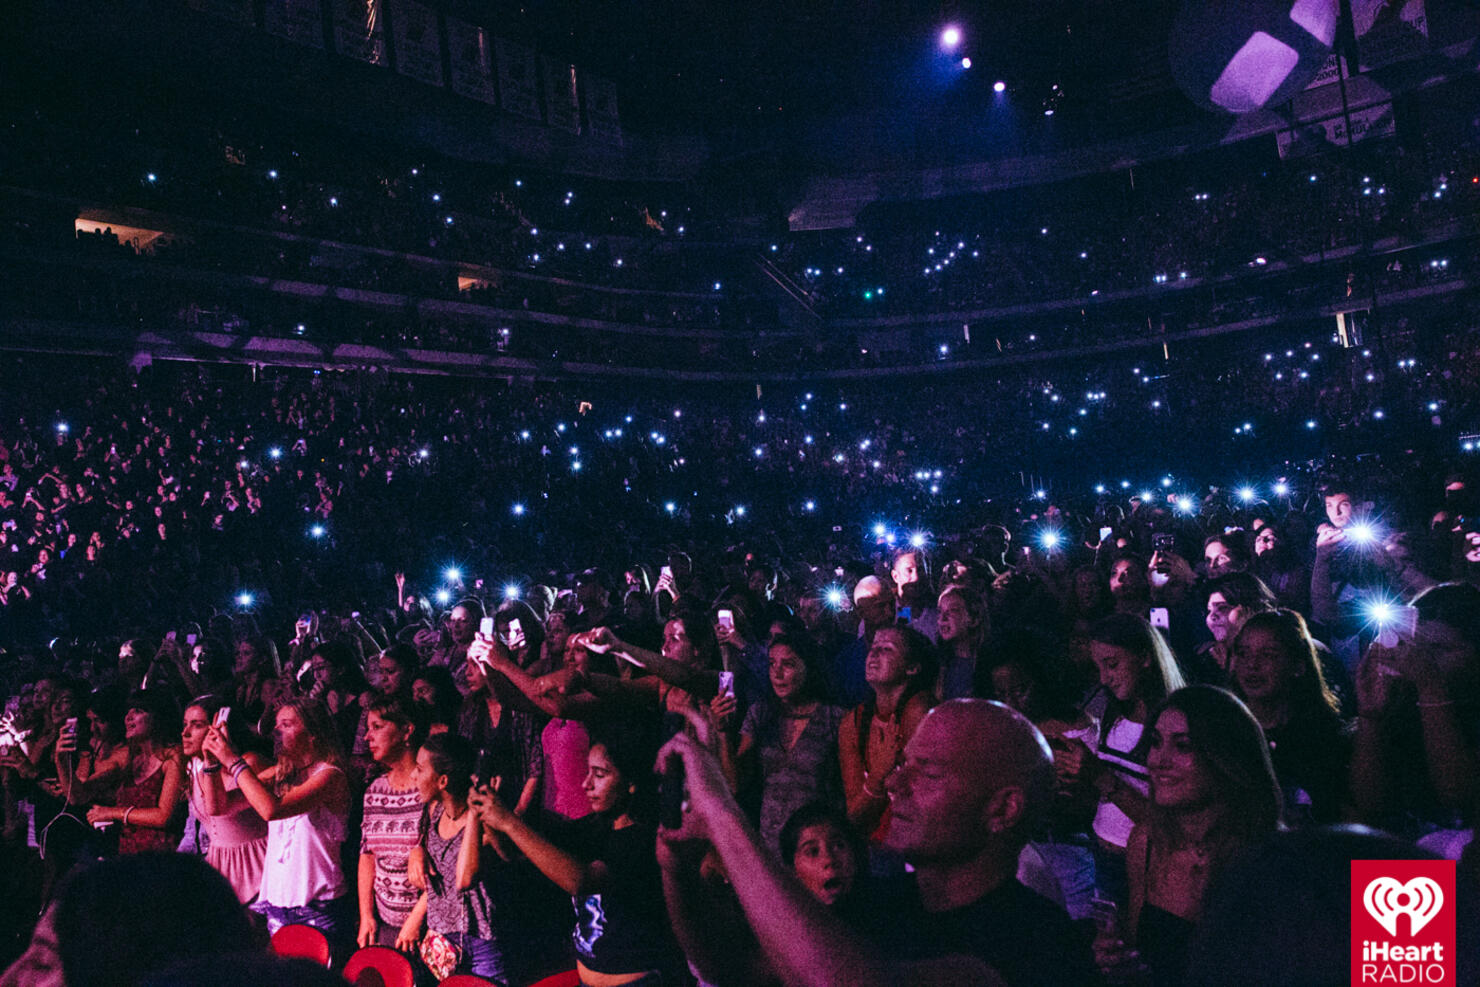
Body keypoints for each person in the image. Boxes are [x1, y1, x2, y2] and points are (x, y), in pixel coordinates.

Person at [659, 700, 1098, 986]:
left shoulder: (1037, 943)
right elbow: (732, 965)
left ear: (1002, 811)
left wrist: (722, 813)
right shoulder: (878, 904)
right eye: (903, 764)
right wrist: (676, 868)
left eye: (927, 773)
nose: (895, 783)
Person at [1094, 686, 1282, 986]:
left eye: (1183, 746)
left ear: (1226, 758)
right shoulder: (1146, 842)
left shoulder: (1271, 860)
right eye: (1155, 742)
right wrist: (1118, 960)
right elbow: (1138, 950)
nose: (1158, 760)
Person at [471, 727, 681, 986]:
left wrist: (509, 822)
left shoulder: (644, 840)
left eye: (600, 774)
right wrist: (487, 813)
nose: (586, 783)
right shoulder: (594, 827)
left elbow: (580, 880)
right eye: (588, 771)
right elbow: (513, 854)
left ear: (631, 783)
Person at [203, 698, 353, 953]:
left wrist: (231, 759)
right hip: (276, 903)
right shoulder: (280, 773)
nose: (276, 731)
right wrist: (211, 762)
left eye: (287, 724)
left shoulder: (330, 775)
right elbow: (219, 806)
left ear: (313, 734)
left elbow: (272, 810)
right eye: (277, 724)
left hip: (316, 907)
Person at [1057, 613, 1185, 897]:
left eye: (1112, 664)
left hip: (1146, 864)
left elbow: (1170, 823)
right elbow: (1108, 802)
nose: (1103, 678)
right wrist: (1076, 782)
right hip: (1101, 855)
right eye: (1098, 667)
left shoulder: (1172, 727)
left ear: (1145, 658)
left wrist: (1099, 777)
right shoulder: (1114, 714)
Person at [1350, 582, 1480, 851]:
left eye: (1440, 650)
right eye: (1417, 648)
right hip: (1400, 865)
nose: (1422, 660)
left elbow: (1457, 794)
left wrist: (1431, 688)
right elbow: (1369, 802)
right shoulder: (1401, 701)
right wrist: (1369, 716)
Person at [400, 732, 512, 982]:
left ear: (442, 781)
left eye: (419, 769)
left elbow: (465, 877)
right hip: (442, 940)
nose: (413, 776)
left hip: (482, 944)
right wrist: (417, 850)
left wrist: (475, 811)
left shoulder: (485, 822)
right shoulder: (434, 811)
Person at [1227, 610, 1350, 825]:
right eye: (1244, 653)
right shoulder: (1222, 729)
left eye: (1268, 655)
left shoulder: (1324, 736)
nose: (1252, 665)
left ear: (1298, 666)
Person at [734, 634, 846, 853]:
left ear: (809, 668)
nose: (777, 673)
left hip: (819, 844)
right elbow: (735, 781)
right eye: (772, 664)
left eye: (788, 664)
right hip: (770, 843)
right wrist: (720, 732)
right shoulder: (761, 713)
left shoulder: (835, 718)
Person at [838, 626, 933, 870]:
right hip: (877, 849)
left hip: (918, 850)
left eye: (887, 649)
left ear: (912, 668)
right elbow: (854, 816)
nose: (873, 654)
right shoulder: (854, 722)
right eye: (873, 648)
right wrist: (880, 773)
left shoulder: (920, 712)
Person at [69, 689, 185, 855]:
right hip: (128, 853)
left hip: (159, 857)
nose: (128, 717)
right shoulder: (132, 757)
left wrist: (111, 812)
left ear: (158, 717)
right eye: (128, 711)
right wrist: (61, 759)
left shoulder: (172, 755)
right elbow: (79, 795)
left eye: (138, 711)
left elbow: (163, 816)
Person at [181, 698, 269, 903]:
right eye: (185, 724)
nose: (185, 733)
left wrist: (219, 757)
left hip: (257, 865)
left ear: (221, 726)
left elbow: (218, 807)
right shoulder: (195, 766)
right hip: (221, 864)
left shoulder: (250, 763)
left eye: (197, 725)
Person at [357, 695, 426, 948]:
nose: (367, 737)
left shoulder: (430, 787)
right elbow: (367, 855)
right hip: (386, 924)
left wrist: (415, 921)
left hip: (427, 925)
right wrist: (366, 915)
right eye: (367, 728)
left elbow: (446, 864)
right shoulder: (375, 790)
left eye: (377, 727)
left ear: (407, 730)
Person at [935, 584, 989, 700]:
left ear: (973, 619)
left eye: (953, 610)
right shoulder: (939, 662)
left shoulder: (988, 662)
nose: (942, 618)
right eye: (940, 611)